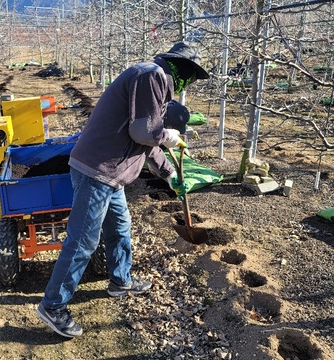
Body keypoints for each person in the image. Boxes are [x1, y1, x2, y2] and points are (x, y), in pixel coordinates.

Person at [37, 42, 210, 338]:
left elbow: (147, 144)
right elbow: (144, 133)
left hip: (111, 174)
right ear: (182, 69)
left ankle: (120, 280)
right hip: (98, 170)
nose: (189, 84)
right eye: (190, 77)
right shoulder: (152, 76)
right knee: (83, 241)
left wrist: (170, 175)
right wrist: (166, 135)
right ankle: (53, 305)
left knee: (120, 226)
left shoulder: (152, 81)